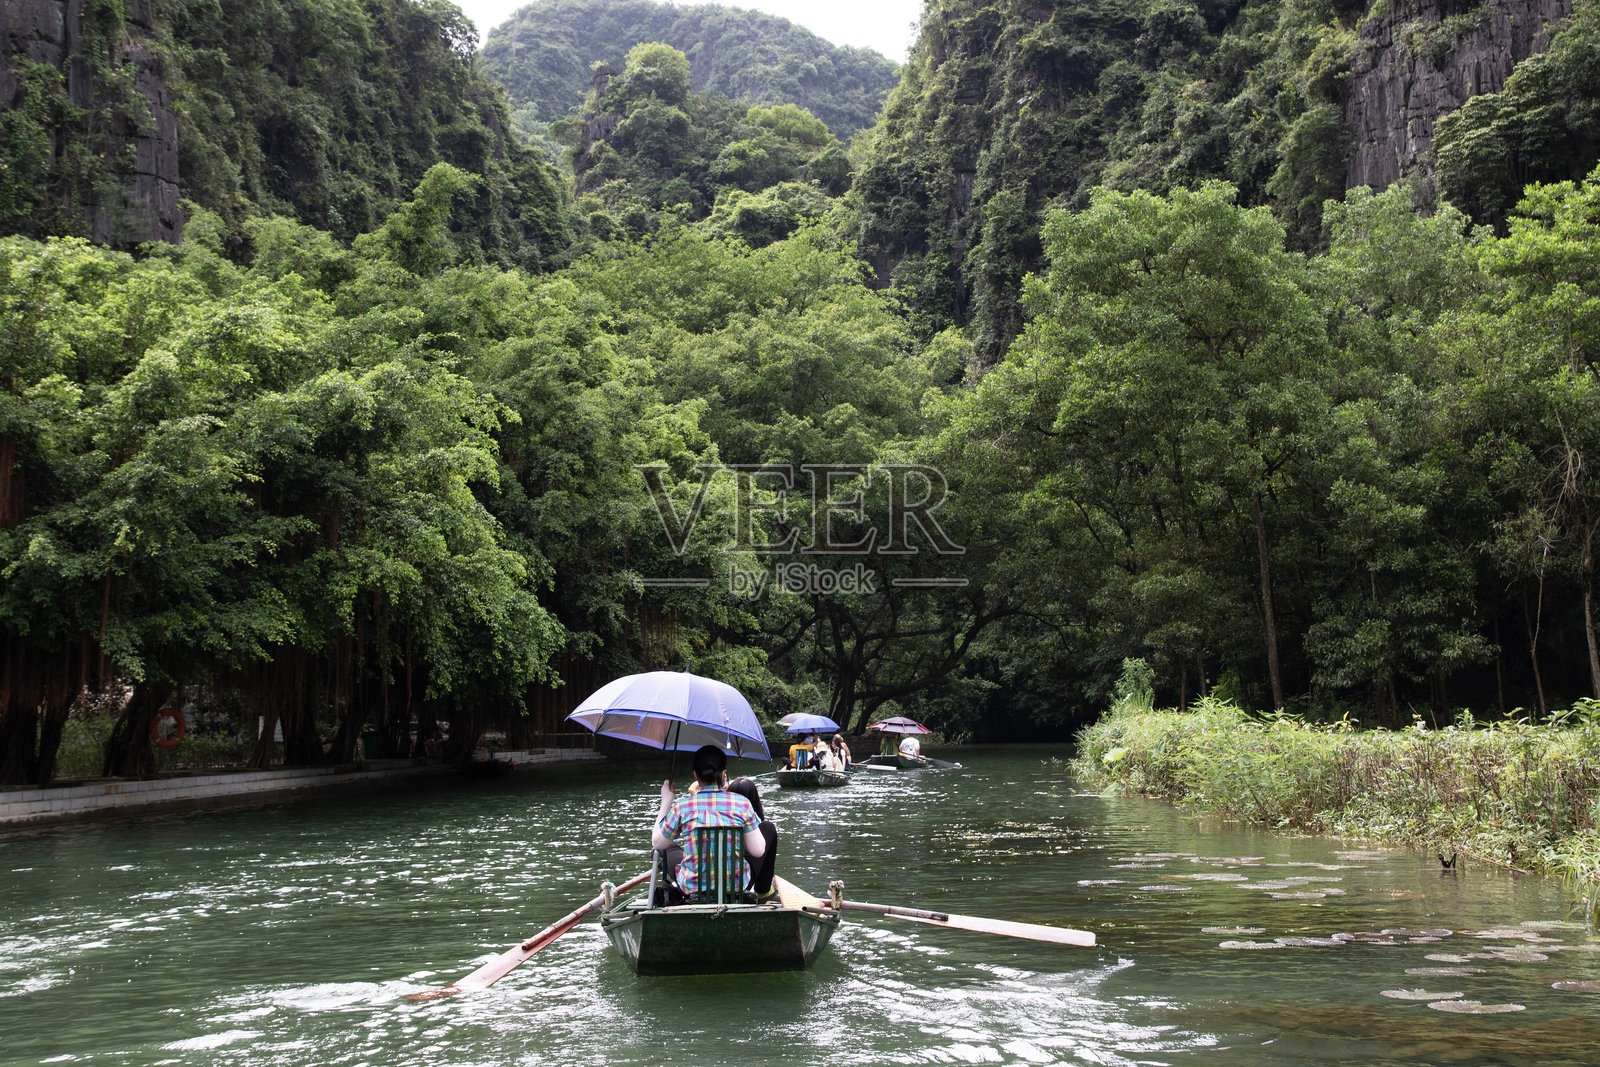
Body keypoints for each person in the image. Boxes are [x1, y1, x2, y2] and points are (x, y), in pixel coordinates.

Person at [652, 745, 766, 903]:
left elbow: (657, 842)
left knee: (669, 847)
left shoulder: (682, 807)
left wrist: (666, 800)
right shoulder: (742, 804)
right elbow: (759, 851)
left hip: (693, 889)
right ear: (724, 773)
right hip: (735, 887)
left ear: (694, 774)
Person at [727, 776, 780, 902]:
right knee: (768, 827)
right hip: (741, 882)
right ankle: (763, 890)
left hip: (708, 880)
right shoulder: (752, 819)